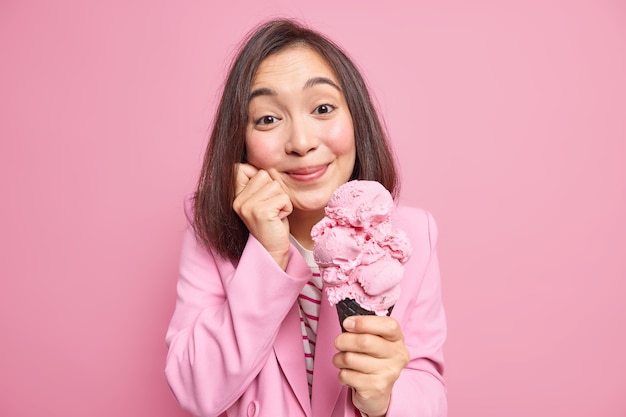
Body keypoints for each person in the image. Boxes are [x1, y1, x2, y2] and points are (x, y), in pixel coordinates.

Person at [165, 18, 447, 417]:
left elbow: (429, 389)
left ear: (356, 119)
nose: (300, 143)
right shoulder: (211, 233)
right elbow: (196, 392)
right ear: (240, 141)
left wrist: (384, 401)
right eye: (267, 118)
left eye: (323, 108)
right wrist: (268, 252)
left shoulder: (411, 235)